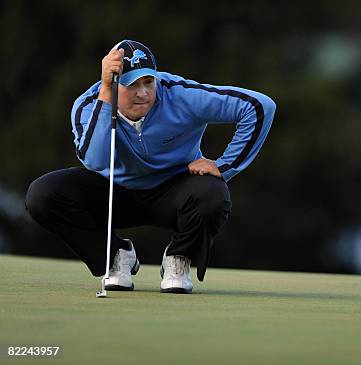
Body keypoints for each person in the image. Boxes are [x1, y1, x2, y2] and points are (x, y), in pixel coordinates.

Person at [24, 40, 276, 294]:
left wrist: (225, 166)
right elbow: (95, 160)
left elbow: (259, 107)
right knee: (43, 195)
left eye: (148, 82)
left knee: (214, 194)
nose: (143, 93)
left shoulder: (179, 94)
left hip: (175, 190)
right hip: (113, 192)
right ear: (113, 84)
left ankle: (179, 258)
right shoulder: (89, 105)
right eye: (131, 84)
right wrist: (105, 94)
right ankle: (115, 257)